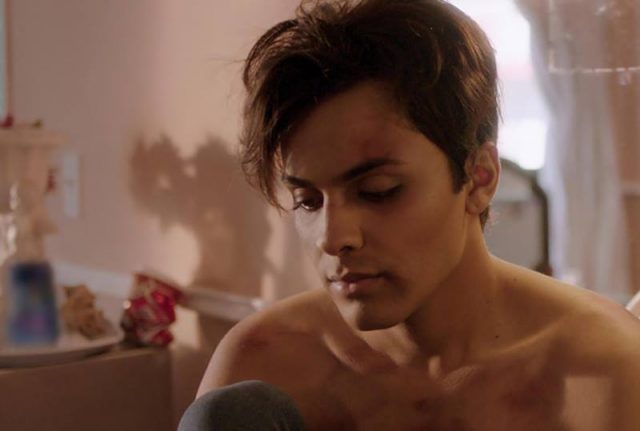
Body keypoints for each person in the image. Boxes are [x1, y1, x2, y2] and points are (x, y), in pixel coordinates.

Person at [179, 1, 640, 430]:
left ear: (479, 178)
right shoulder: (263, 362)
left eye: (378, 192)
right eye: (308, 201)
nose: (334, 237)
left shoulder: (601, 369)